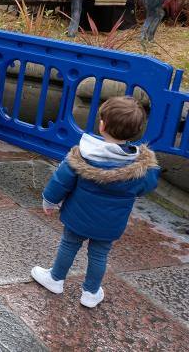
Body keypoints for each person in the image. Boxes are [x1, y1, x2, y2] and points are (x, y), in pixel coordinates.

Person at [31, 96, 160, 309]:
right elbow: (147, 186)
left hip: (77, 216)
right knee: (99, 254)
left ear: (102, 125)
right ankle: (90, 293)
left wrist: (49, 201)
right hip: (111, 223)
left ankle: (55, 279)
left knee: (69, 245)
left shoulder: (83, 154)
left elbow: (61, 181)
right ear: (137, 132)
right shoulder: (142, 168)